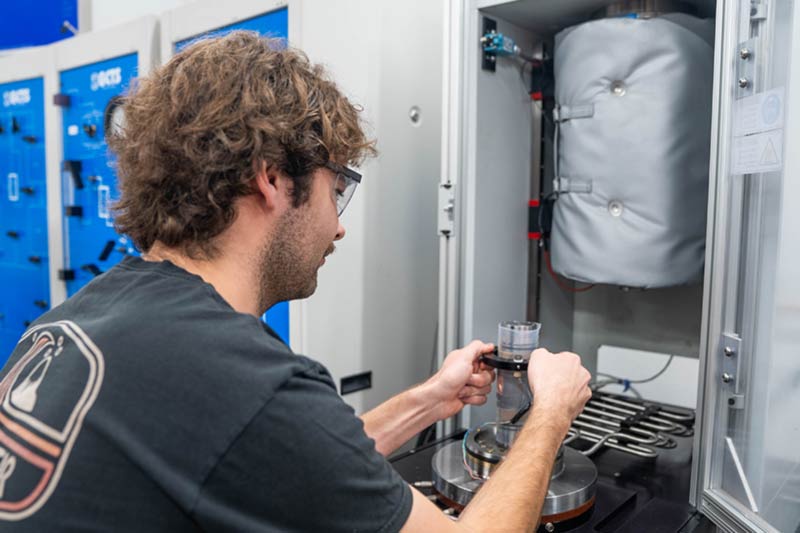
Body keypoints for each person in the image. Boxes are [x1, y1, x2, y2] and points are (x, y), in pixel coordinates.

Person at [0, 32, 591, 532]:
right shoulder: (237, 374)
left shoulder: (81, 318)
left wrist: (430, 400)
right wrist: (551, 412)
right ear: (274, 180)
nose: (338, 228)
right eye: (337, 192)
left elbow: (292, 453)